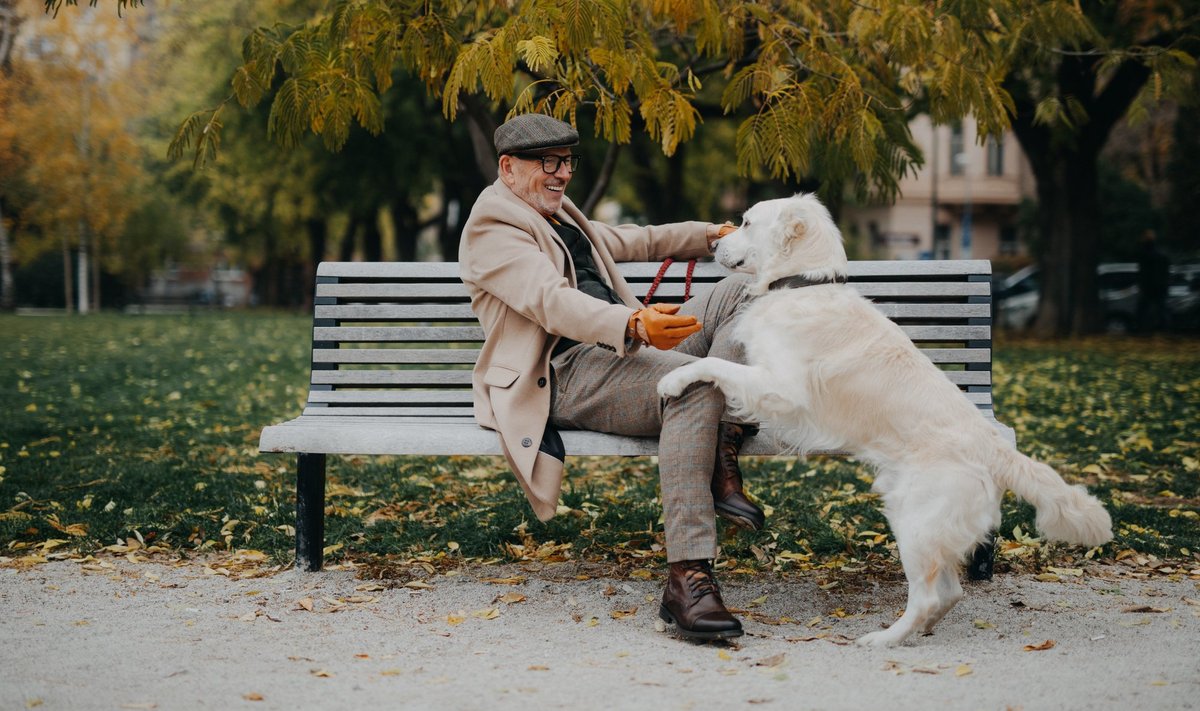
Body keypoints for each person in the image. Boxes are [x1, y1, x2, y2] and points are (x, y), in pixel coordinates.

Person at [459, 113, 762, 640]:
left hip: (617, 350)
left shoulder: (552, 213)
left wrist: (710, 235)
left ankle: (723, 440)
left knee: (748, 291)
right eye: (547, 163)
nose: (561, 174)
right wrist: (632, 322)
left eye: (567, 162)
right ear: (508, 167)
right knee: (695, 384)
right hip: (563, 372)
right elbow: (550, 302)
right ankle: (687, 577)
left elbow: (630, 240)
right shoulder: (492, 228)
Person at [1136, 229, 1170, 334]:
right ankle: (1164, 329)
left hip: (1149, 286)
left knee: (1143, 310)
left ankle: (1143, 330)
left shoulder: (1144, 253)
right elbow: (1166, 271)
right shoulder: (1161, 254)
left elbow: (1143, 272)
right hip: (1160, 286)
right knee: (1161, 309)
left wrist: (1142, 285)